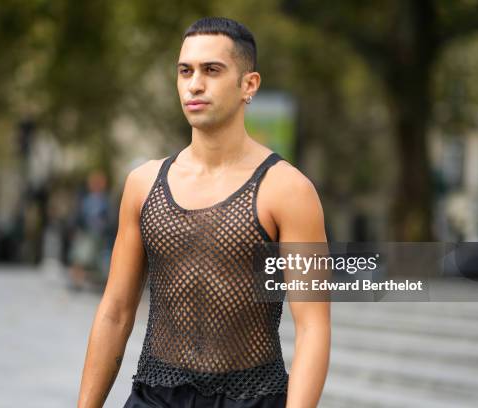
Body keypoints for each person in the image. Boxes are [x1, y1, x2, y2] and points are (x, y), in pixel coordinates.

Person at [77, 17, 330, 408]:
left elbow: (313, 328)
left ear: (249, 85)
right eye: (185, 71)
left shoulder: (289, 190)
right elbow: (115, 310)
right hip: (153, 396)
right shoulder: (143, 184)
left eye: (212, 70)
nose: (195, 84)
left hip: (252, 398)